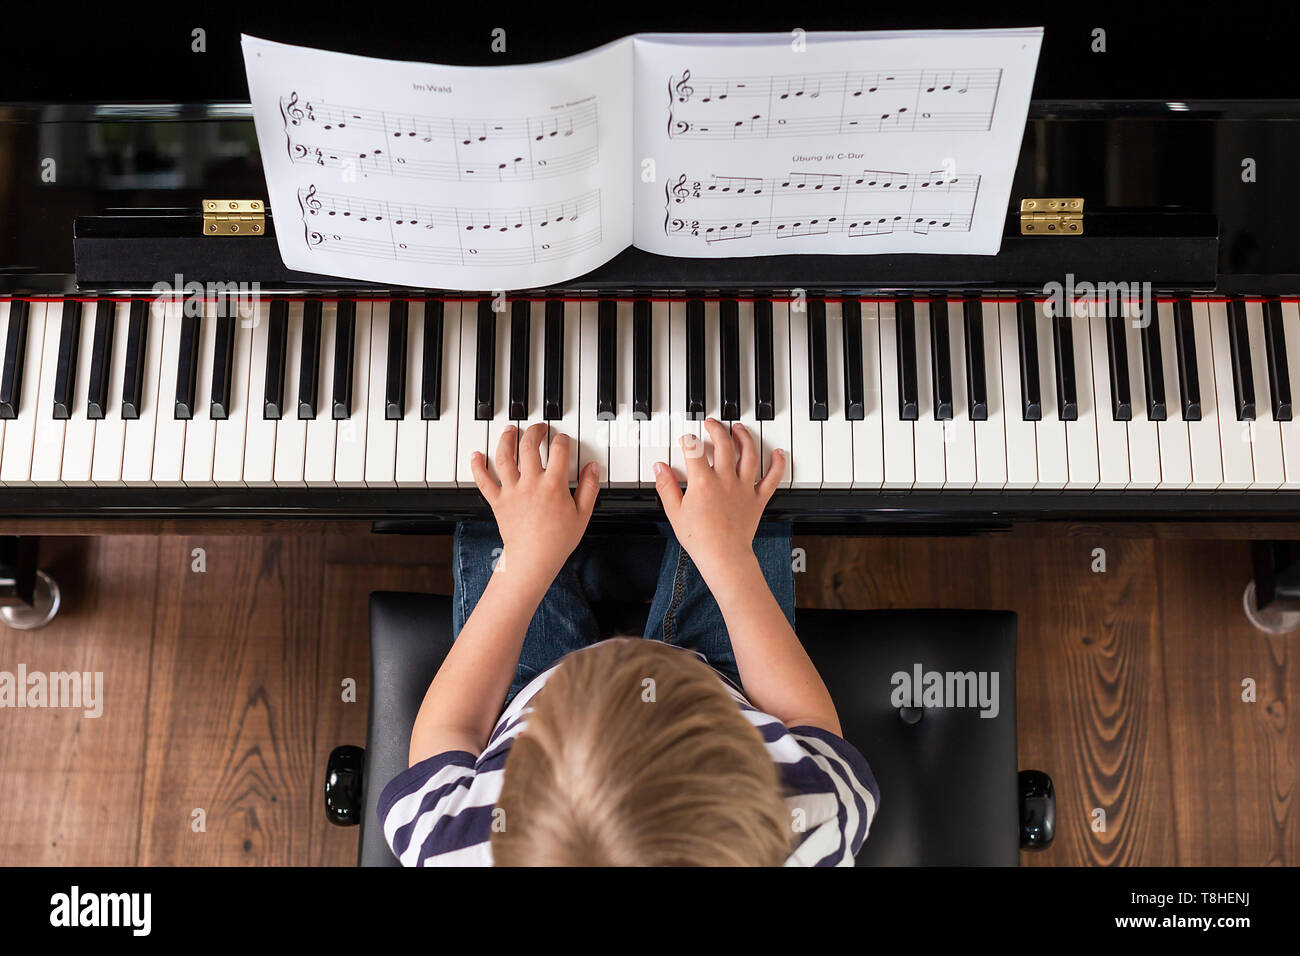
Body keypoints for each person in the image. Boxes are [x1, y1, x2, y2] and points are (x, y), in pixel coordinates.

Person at [378, 419, 877, 865]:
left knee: (505, 499)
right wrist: (729, 559)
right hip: (727, 687)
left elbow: (452, 727)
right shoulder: (808, 825)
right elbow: (803, 720)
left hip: (526, 700)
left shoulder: (453, 843)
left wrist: (523, 565)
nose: (628, 654)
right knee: (741, 488)